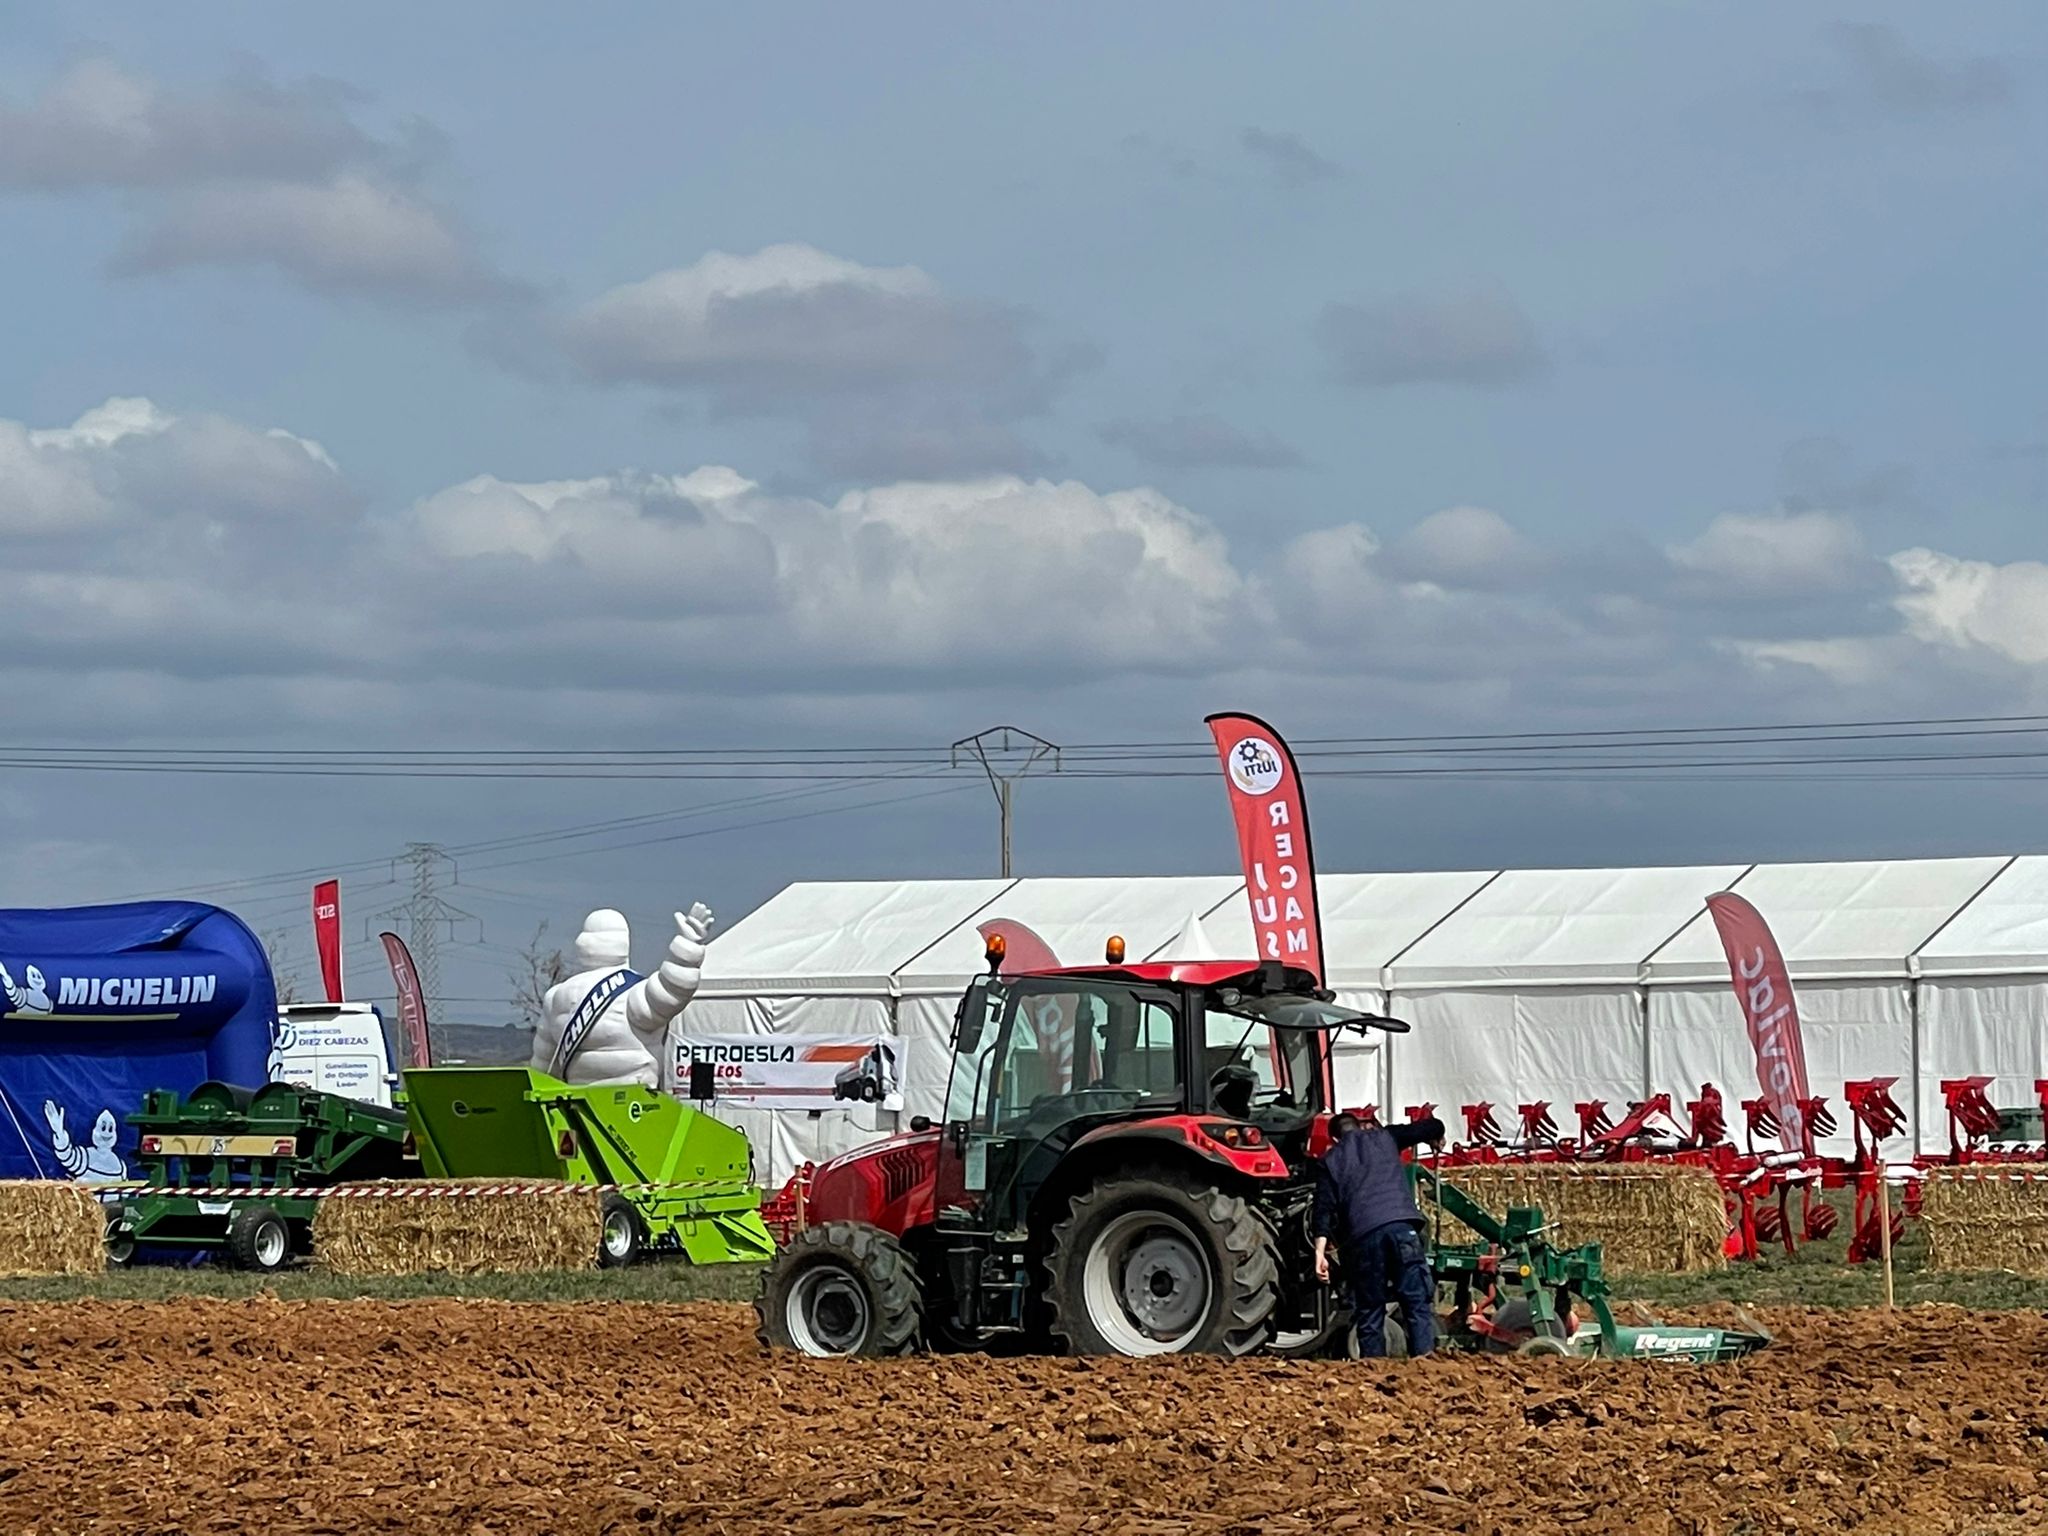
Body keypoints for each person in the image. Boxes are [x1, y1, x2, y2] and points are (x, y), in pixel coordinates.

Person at [1313, 1110, 1446, 1358]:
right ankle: (1425, 1361)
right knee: (1416, 1300)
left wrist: (1319, 1253)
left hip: (1364, 1238)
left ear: (1335, 1139)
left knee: (1370, 1307)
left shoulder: (1330, 1161)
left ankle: (1373, 1368)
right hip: (1402, 1228)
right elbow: (1432, 1125)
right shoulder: (1386, 1137)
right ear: (1360, 1127)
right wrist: (1436, 1136)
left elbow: (1323, 1210)